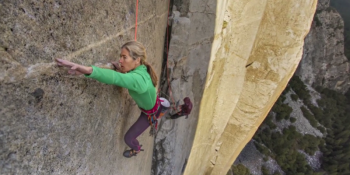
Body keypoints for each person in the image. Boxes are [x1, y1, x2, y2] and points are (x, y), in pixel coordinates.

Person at [55, 41, 170, 158]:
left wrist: (88, 70)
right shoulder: (141, 69)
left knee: (128, 138)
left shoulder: (139, 80)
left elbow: (115, 78)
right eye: (121, 57)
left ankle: (137, 149)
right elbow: (127, 76)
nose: (120, 61)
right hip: (153, 105)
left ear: (137, 60)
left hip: (150, 114)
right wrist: (124, 71)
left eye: (124, 57)